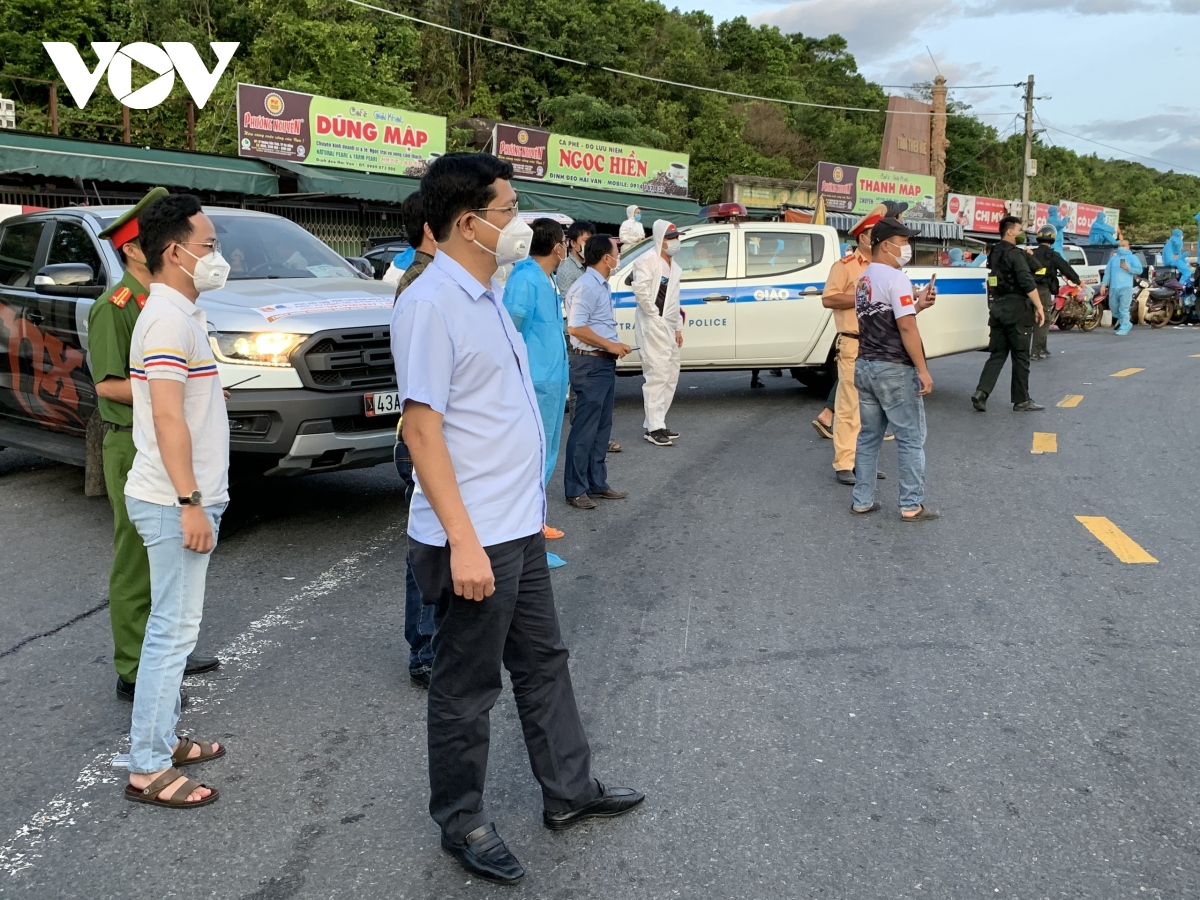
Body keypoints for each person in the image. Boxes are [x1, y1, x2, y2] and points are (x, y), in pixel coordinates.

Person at [392, 153, 643, 885]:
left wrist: (527, 515)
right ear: (468, 222)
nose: (519, 222)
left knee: (543, 661)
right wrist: (464, 544)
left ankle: (569, 791)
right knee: (467, 687)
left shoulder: (487, 291)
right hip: (472, 538)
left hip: (515, 525)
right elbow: (422, 430)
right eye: (508, 209)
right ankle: (462, 819)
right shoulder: (430, 304)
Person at [88, 187, 219, 705]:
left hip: (159, 439)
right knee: (135, 560)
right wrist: (169, 385)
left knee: (164, 569)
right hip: (130, 443)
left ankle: (165, 655)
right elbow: (106, 383)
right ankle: (134, 666)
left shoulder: (164, 305)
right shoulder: (117, 307)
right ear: (134, 251)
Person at [122, 193, 231, 809]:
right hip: (172, 500)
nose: (216, 258)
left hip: (184, 495)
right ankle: (147, 766)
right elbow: (167, 418)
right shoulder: (166, 320)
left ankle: (161, 739)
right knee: (171, 633)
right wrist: (191, 500)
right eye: (209, 247)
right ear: (175, 252)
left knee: (176, 629)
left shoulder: (184, 313)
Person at [849, 217, 939, 522]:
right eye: (903, 242)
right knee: (911, 438)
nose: (907, 247)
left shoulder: (864, 279)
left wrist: (920, 306)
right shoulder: (896, 278)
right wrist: (923, 369)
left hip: (864, 366)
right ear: (886, 246)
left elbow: (885, 319)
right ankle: (911, 504)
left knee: (869, 436)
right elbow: (905, 326)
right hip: (893, 369)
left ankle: (862, 499)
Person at [502, 218, 572, 566]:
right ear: (556, 246)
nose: (567, 245)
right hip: (536, 380)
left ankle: (534, 529)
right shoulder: (526, 278)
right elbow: (510, 330)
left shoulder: (546, 278)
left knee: (546, 453)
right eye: (565, 240)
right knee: (533, 458)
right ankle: (526, 543)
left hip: (551, 378)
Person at [391, 191, 439, 688]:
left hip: (425, 431)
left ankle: (428, 642)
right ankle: (425, 649)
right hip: (424, 434)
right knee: (428, 541)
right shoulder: (424, 282)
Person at [564, 235, 633, 509]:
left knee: (601, 427)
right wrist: (610, 345)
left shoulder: (600, 285)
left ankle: (596, 482)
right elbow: (577, 328)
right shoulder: (587, 287)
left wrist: (612, 348)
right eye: (616, 252)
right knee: (584, 429)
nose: (618, 257)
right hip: (590, 363)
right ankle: (575, 488)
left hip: (603, 362)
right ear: (606, 257)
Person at [820, 212, 889, 486]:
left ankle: (866, 462)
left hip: (881, 344)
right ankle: (845, 463)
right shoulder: (846, 266)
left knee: (874, 409)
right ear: (863, 237)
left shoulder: (885, 267)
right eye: (876, 235)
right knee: (849, 405)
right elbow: (829, 298)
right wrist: (861, 297)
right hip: (854, 343)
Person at [971, 216, 1046, 413]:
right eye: (1020, 230)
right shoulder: (1014, 254)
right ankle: (1021, 400)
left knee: (998, 354)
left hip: (997, 308)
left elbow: (1034, 268)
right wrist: (1039, 306)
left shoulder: (994, 252)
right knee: (1021, 356)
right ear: (1010, 231)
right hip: (1017, 309)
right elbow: (1027, 281)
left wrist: (1027, 254)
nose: (1023, 234)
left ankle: (981, 392)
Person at [633, 220, 683, 447]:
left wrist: (677, 328)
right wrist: (653, 315)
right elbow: (641, 292)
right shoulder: (647, 262)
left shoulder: (675, 267)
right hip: (653, 324)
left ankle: (657, 422)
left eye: (676, 237)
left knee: (671, 375)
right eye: (670, 237)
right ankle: (654, 428)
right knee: (657, 375)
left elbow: (674, 300)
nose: (675, 242)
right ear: (660, 240)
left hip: (668, 327)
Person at [1029, 225, 1081, 360]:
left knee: (1029, 319)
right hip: (1042, 290)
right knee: (1043, 318)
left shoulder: (1030, 253)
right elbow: (1066, 269)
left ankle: (1041, 348)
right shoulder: (1052, 255)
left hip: (1027, 290)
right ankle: (1036, 350)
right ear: (1052, 239)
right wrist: (1078, 281)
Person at [1099, 240, 1143, 336]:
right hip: (1114, 287)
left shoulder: (1132, 258)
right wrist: (1103, 284)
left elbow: (1139, 270)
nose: (1121, 247)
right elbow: (1107, 273)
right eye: (1119, 246)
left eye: (1123, 245)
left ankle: (1124, 326)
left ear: (1128, 247)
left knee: (1124, 308)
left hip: (1126, 287)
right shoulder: (1113, 259)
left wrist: (1129, 269)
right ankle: (1126, 322)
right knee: (1114, 308)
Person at [557, 220, 593, 297]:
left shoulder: (593, 264)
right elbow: (569, 302)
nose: (589, 245)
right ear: (573, 243)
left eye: (591, 241)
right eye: (586, 241)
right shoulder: (566, 269)